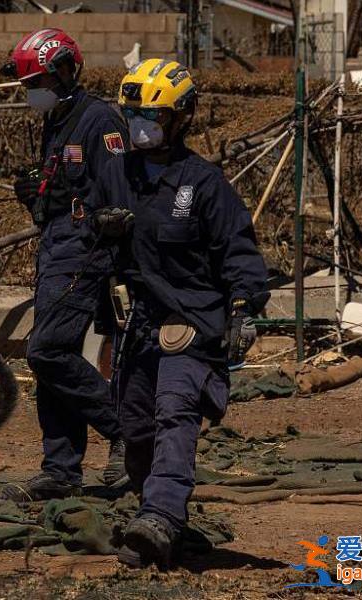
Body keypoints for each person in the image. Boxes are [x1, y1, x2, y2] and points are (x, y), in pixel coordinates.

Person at [90, 58, 269, 567]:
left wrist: (243, 309)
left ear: (181, 118)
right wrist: (99, 229)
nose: (141, 124)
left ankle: (162, 516)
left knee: (175, 410)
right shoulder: (117, 174)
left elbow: (238, 252)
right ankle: (156, 511)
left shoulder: (204, 185)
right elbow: (82, 222)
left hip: (192, 321)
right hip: (139, 325)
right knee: (136, 424)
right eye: (133, 114)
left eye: (152, 115)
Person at [0, 28, 130, 501]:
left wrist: (101, 231)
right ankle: (61, 469)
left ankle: (126, 431)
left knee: (46, 352)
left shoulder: (101, 122)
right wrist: (39, 198)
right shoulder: (55, 121)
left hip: (85, 255)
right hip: (55, 252)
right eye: (29, 85)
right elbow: (64, 194)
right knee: (57, 358)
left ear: (66, 72)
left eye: (38, 83)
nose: (33, 93)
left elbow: (117, 202)